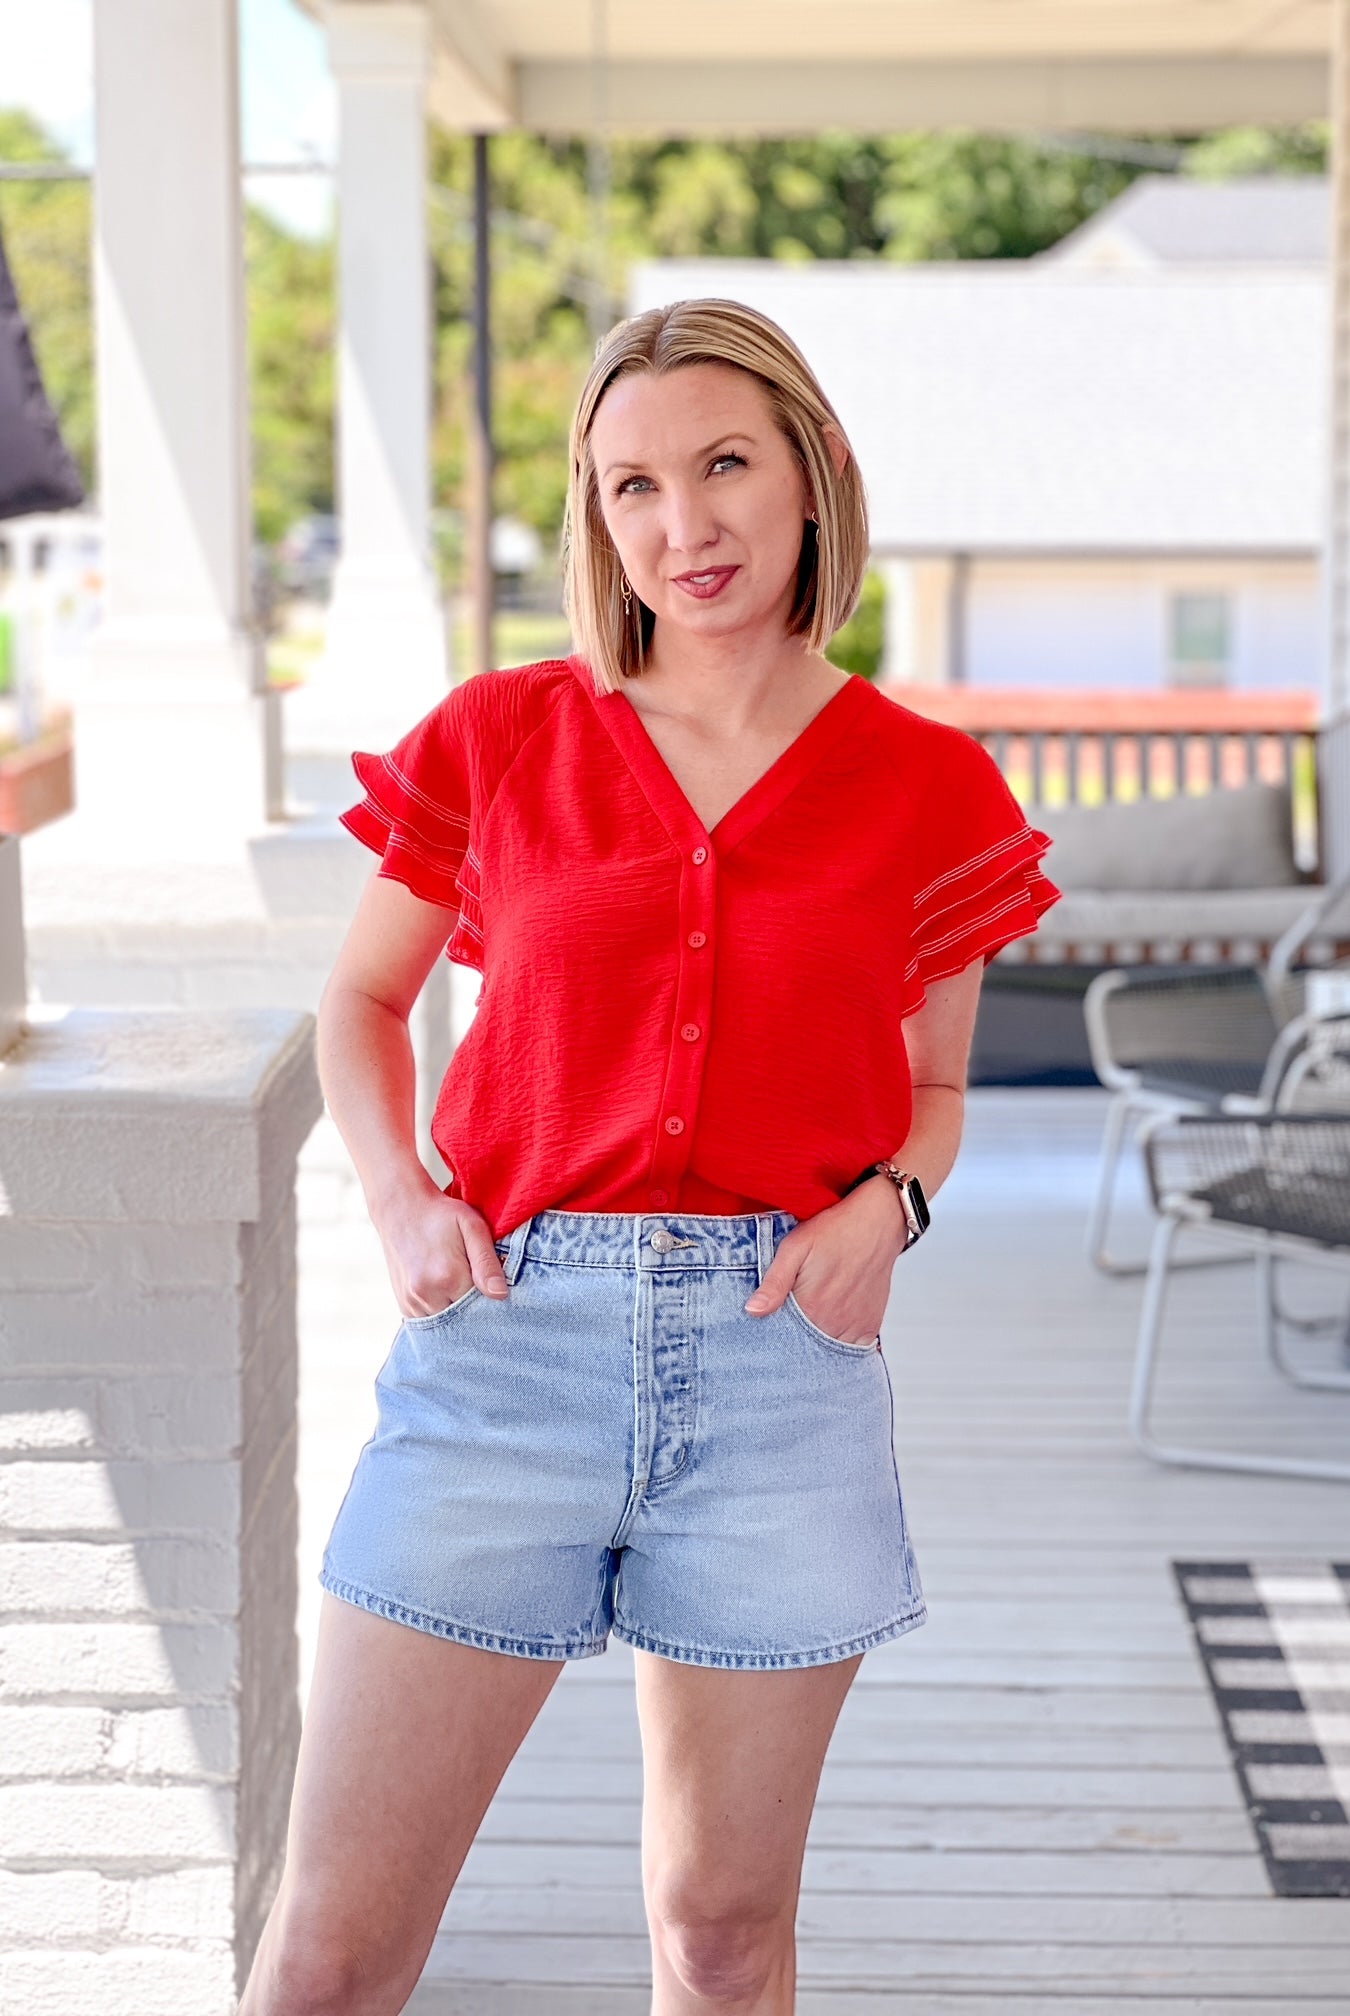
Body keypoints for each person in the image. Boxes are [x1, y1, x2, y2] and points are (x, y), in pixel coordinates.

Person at [239, 297, 1060, 2016]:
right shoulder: (502, 737)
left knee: (719, 1936)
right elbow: (364, 1003)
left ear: (813, 475)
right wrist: (398, 1195)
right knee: (326, 1957)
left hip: (780, 1367)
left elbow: (937, 1090)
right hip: (505, 1352)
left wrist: (885, 1213)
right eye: (629, 488)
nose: (680, 524)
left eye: (722, 465)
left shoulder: (927, 790)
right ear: (593, 520)